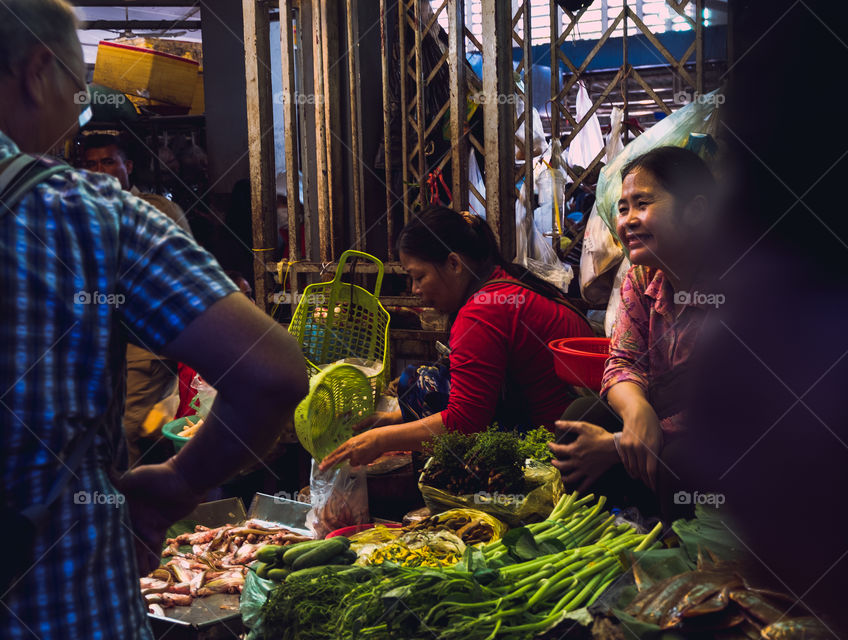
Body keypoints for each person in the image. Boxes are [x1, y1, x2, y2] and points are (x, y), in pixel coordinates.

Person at [0, 2, 308, 638]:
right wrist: (179, 481)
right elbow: (271, 372)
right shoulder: (86, 215)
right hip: (62, 605)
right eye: (74, 83)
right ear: (36, 71)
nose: (75, 105)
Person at [319, 205, 593, 470]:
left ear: (453, 263)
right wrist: (393, 420)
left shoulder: (483, 311)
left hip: (559, 453)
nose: (415, 290)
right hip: (579, 434)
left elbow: (465, 423)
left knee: (422, 382)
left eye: (419, 276)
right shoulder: (506, 280)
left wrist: (381, 440)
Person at [548, 146, 717, 516]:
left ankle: (684, 546)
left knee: (684, 460)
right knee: (581, 417)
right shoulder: (642, 276)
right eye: (623, 208)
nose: (627, 220)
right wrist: (637, 409)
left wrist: (618, 443)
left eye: (642, 203)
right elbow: (622, 359)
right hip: (659, 428)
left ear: (696, 210)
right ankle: (621, 523)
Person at [80, 133, 196, 467]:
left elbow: (183, 272)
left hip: (144, 342)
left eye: (108, 162)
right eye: (91, 164)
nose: (100, 171)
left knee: (131, 429)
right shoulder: (81, 215)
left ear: (127, 166)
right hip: (96, 341)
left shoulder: (155, 210)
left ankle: (140, 507)